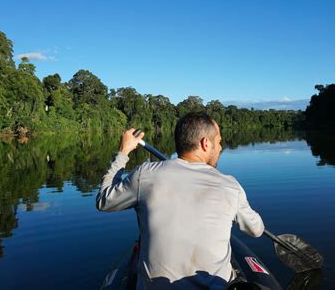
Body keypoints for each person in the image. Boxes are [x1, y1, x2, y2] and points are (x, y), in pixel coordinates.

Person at [96, 112, 264, 289]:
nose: (220, 147)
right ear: (205, 143)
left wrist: (123, 152)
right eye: (219, 142)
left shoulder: (145, 174)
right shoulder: (231, 186)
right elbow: (257, 230)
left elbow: (104, 200)